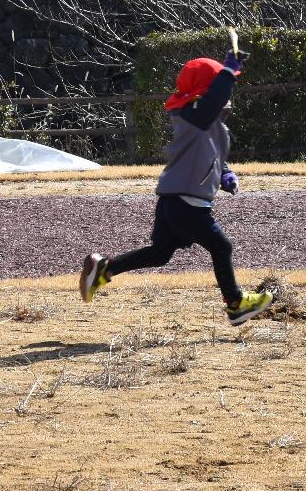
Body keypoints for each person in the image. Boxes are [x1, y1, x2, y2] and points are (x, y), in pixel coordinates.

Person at [78, 49, 275, 326]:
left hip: (173, 200)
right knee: (222, 247)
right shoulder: (194, 115)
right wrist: (228, 72)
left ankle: (105, 269)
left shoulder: (204, 123)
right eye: (221, 91)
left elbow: (208, 155)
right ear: (205, 93)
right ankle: (235, 304)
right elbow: (212, 104)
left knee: (160, 253)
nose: (227, 100)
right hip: (188, 203)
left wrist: (225, 173)